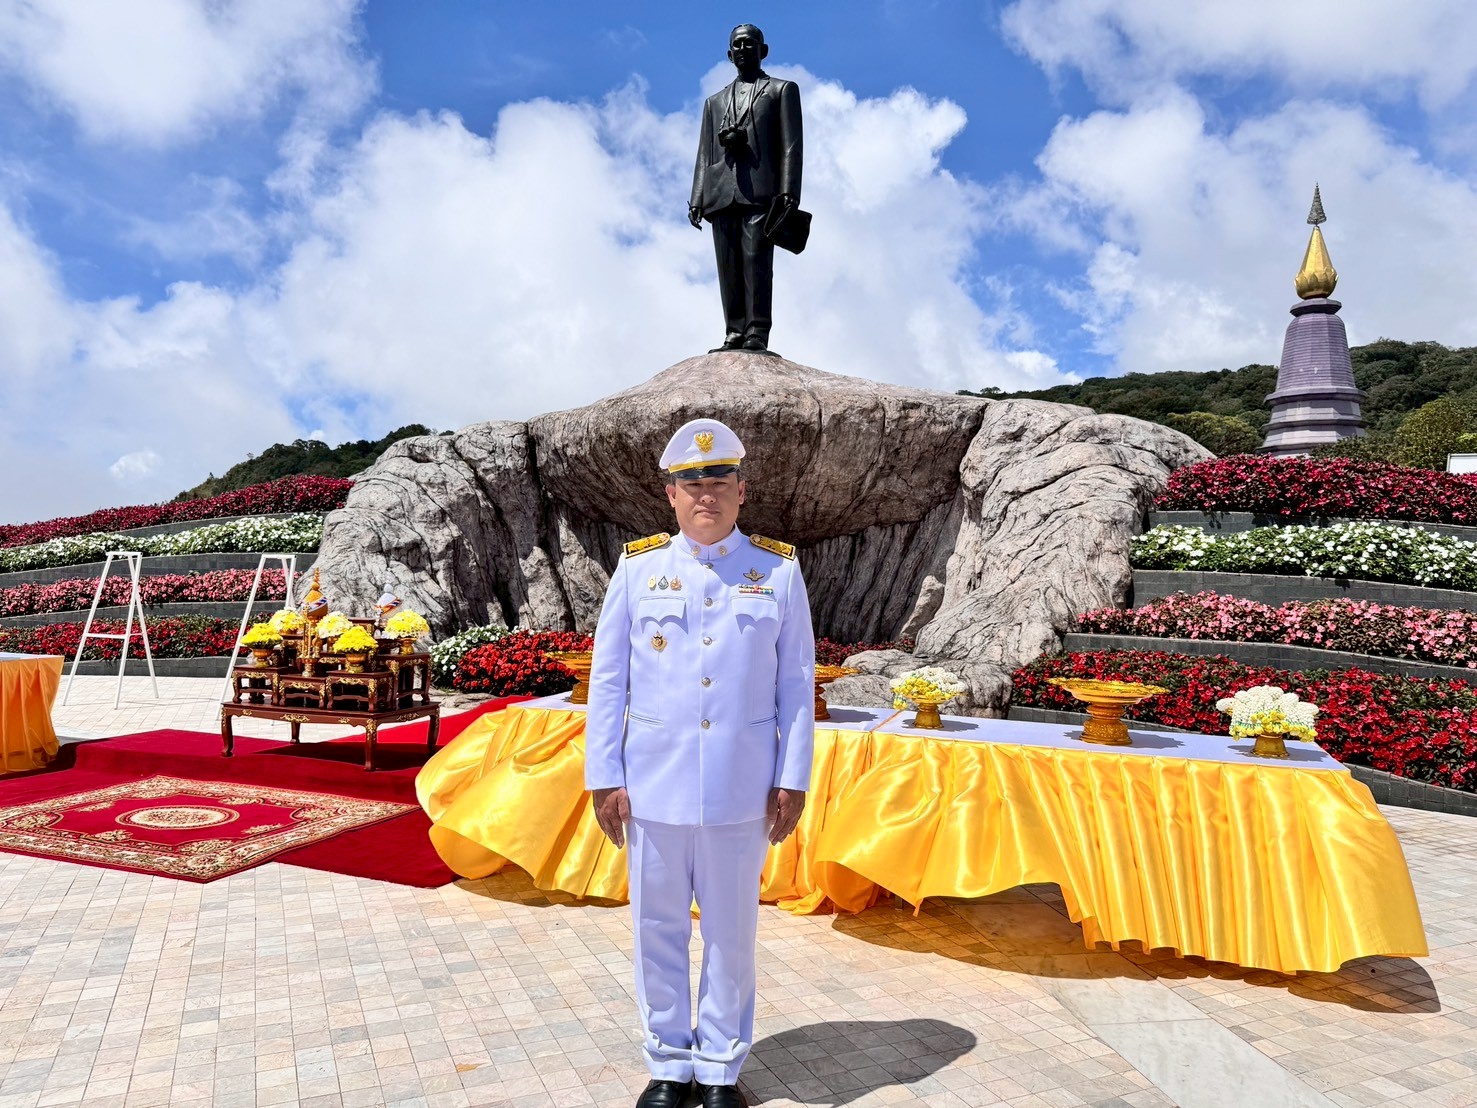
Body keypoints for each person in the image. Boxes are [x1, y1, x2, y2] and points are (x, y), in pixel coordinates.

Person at [585, 418, 815, 1108]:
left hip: (741, 787)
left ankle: (718, 1068)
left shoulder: (777, 571)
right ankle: (667, 1063)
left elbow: (796, 684)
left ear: (742, 490)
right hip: (652, 784)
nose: (705, 494)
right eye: (691, 483)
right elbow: (609, 681)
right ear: (671, 495)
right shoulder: (638, 569)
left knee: (730, 934)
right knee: (655, 929)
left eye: (718, 481)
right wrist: (604, 775)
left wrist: (791, 778)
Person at [689, 24, 803, 355]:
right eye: (737, 45)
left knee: (756, 261)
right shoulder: (714, 102)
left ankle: (757, 331)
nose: (743, 49)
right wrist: (697, 197)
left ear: (763, 50)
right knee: (727, 265)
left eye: (749, 44)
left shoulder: (781, 90)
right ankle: (734, 330)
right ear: (729, 54)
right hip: (720, 190)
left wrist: (789, 191)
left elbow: (791, 145)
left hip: (761, 190)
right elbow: (704, 153)